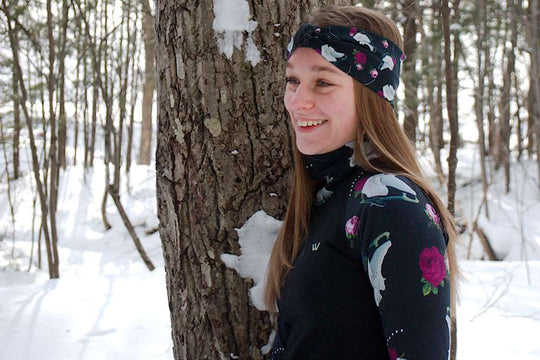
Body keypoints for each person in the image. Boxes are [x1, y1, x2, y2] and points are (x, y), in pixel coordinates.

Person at [264, 5, 459, 360]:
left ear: (371, 95)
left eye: (322, 82)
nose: (297, 101)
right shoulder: (331, 194)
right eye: (293, 80)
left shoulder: (388, 201)